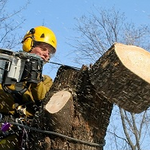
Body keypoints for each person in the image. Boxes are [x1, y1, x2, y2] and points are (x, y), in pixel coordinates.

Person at [0, 26, 57, 150]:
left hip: (31, 134)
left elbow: (42, 98)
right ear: (29, 44)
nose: (46, 54)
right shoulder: (5, 69)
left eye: (49, 52)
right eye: (43, 49)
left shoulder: (46, 81)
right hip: (5, 127)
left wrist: (34, 77)